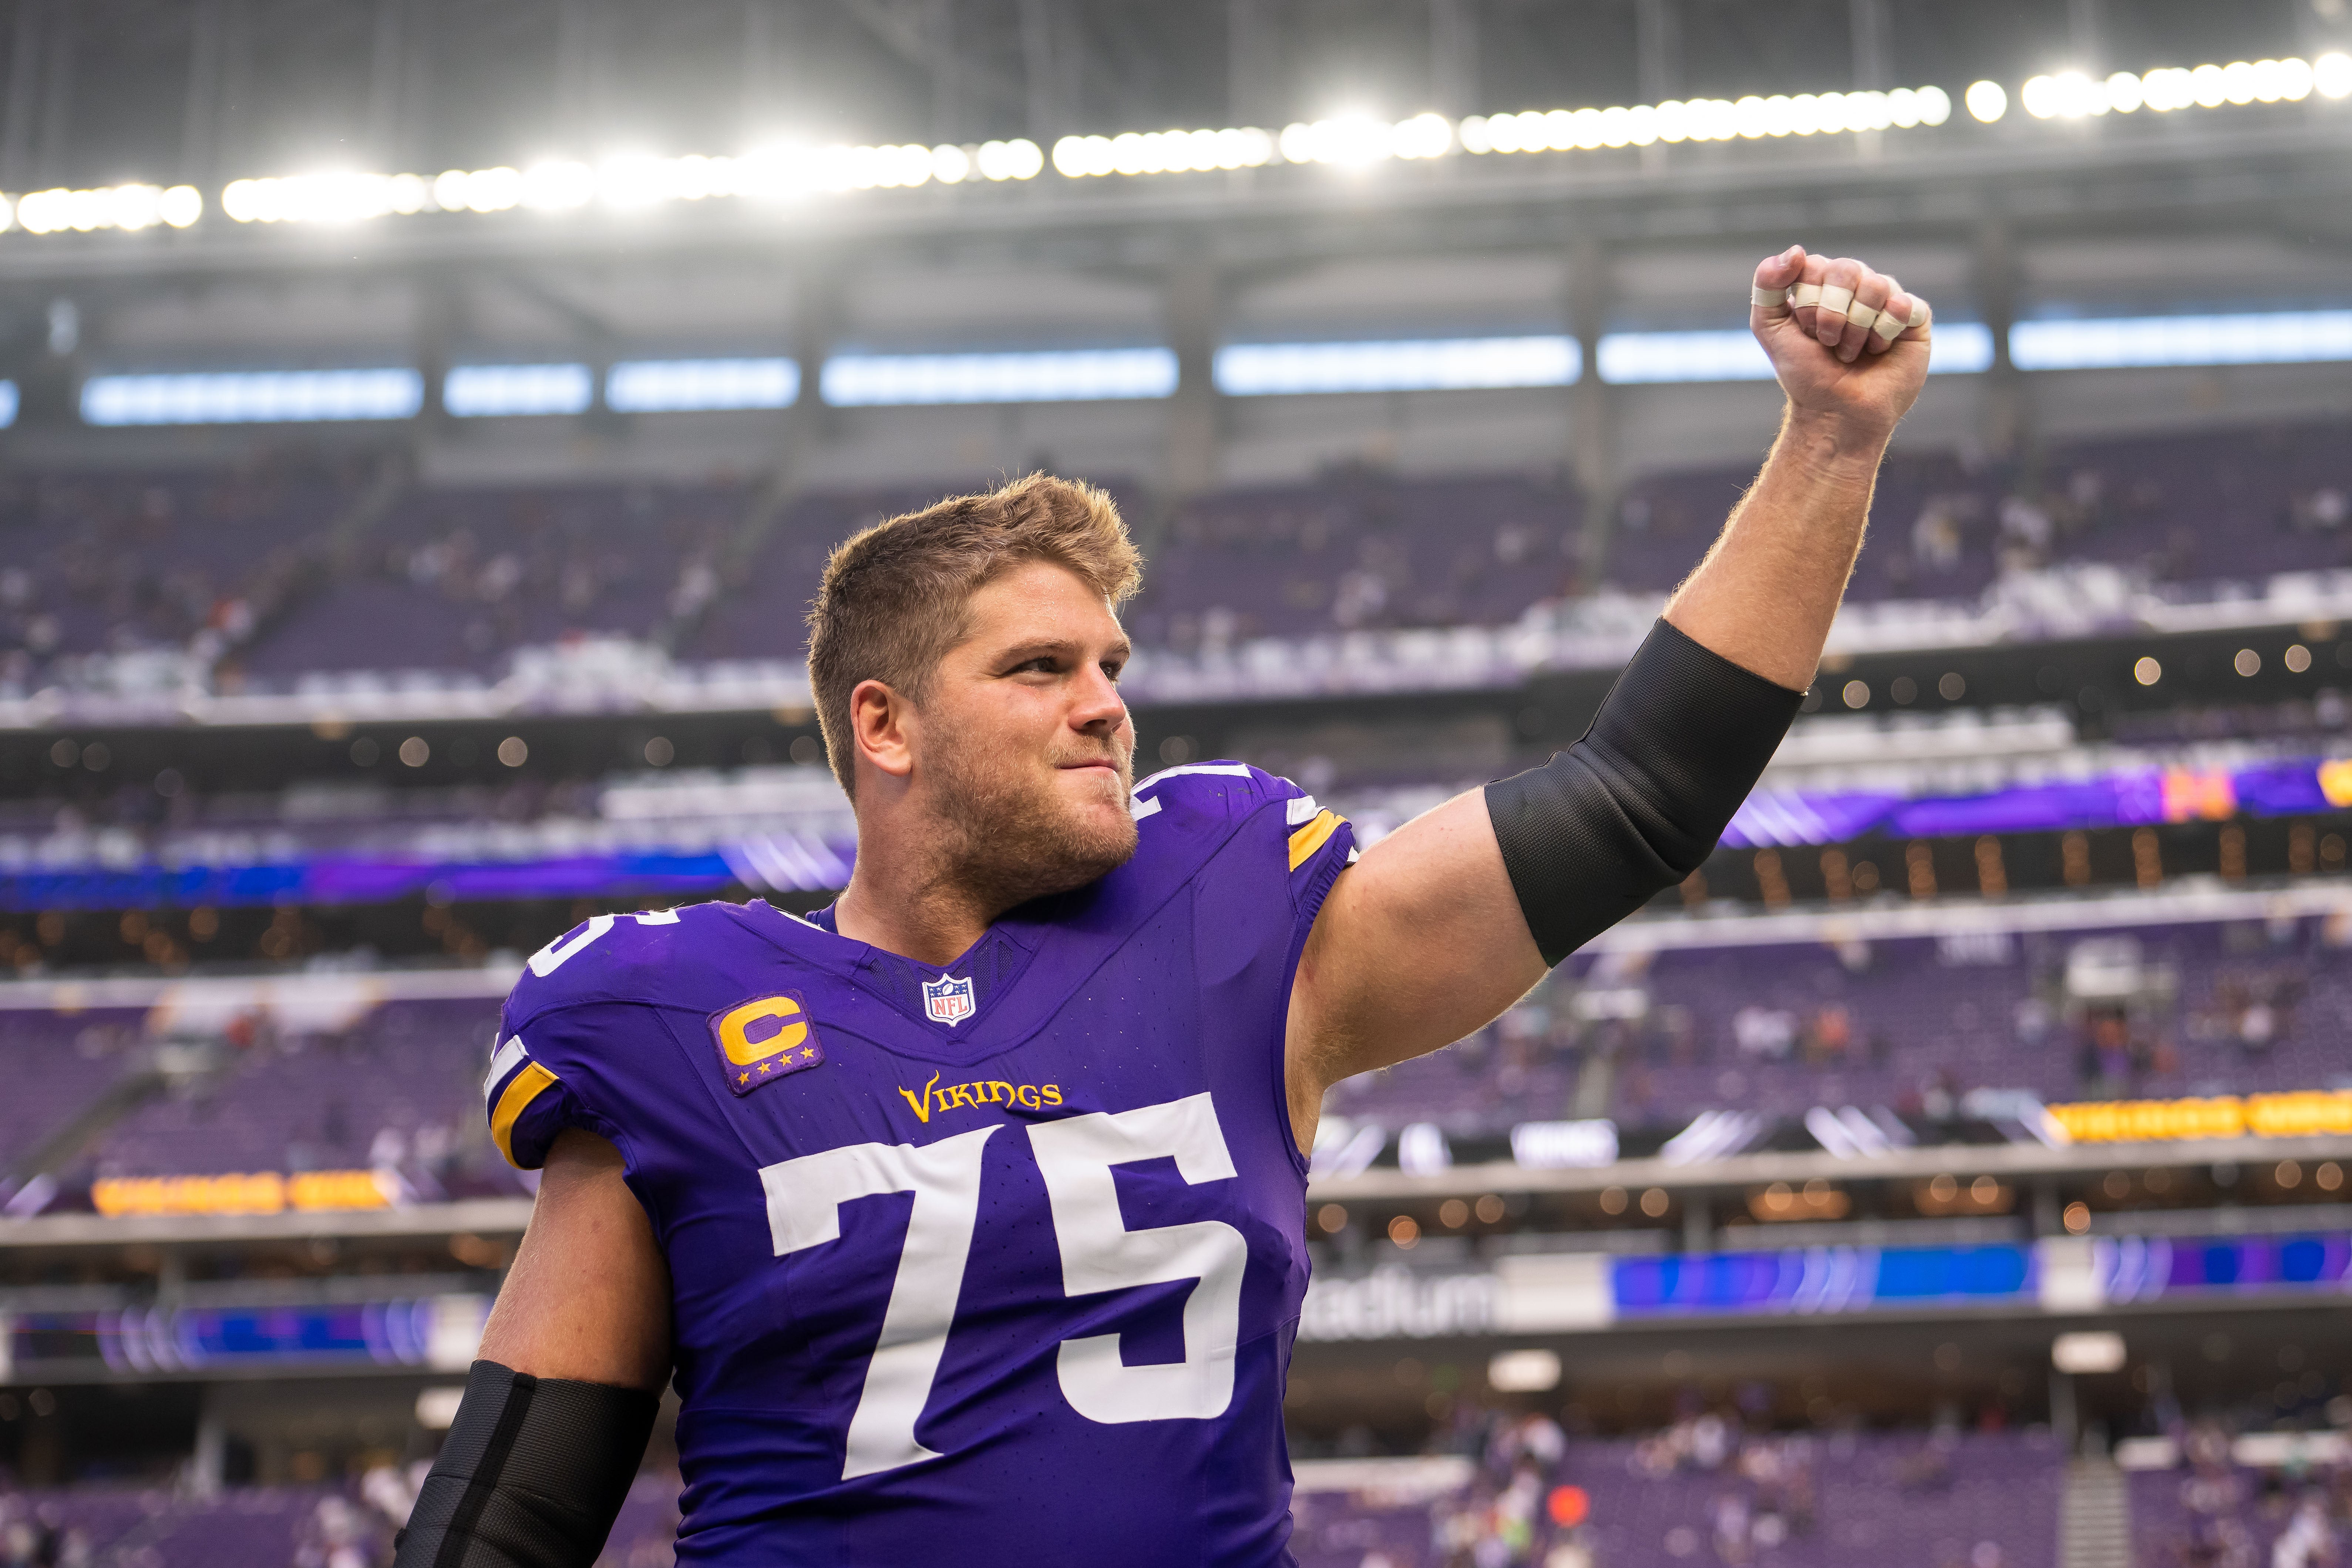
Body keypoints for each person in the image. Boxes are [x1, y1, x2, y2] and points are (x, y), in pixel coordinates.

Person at [395, 247, 1931, 1567]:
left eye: (1113, 670)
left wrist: (1831, 442)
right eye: (1039, 670)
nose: (1104, 708)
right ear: (886, 726)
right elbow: (514, 1512)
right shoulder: (674, 1012)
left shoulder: (1234, 930)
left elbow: (1634, 798)